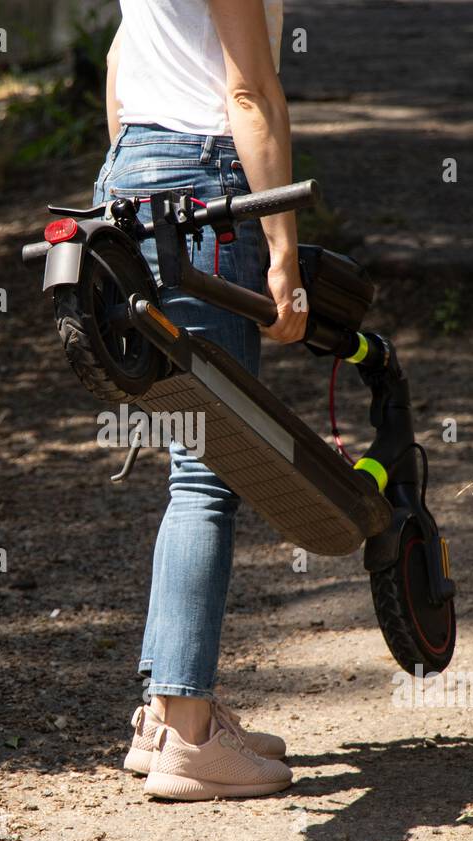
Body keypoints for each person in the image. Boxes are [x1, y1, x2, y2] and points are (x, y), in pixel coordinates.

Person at [96, 0, 308, 800]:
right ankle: (189, 738)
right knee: (208, 475)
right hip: (204, 183)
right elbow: (251, 93)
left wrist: (134, 176)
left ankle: (165, 718)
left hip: (130, 178)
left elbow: (121, 68)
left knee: (191, 459)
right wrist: (282, 253)